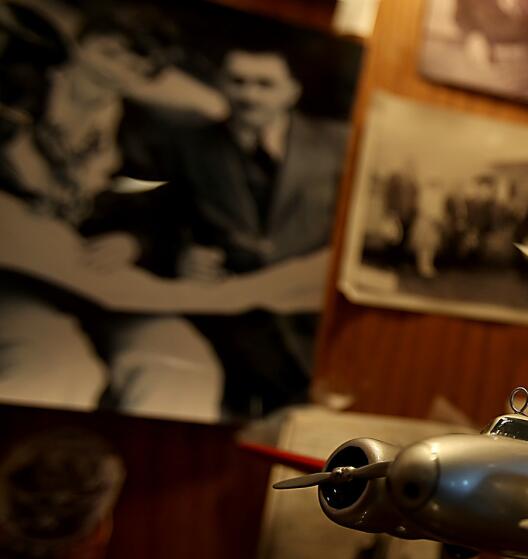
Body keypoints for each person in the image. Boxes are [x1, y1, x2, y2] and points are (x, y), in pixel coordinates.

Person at [0, 3, 224, 419]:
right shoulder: (14, 86)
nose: (115, 70)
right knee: (55, 365)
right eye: (109, 52)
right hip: (13, 277)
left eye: (135, 64)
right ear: (80, 44)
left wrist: (131, 242)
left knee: (182, 364)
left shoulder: (142, 135)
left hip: (97, 280)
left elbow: (158, 215)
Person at [134, 40, 348, 415]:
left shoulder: (339, 144)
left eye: (264, 84)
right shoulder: (187, 147)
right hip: (229, 325)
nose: (249, 95)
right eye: (238, 81)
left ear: (291, 92)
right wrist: (178, 256)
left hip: (317, 327)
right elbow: (154, 221)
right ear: (221, 84)